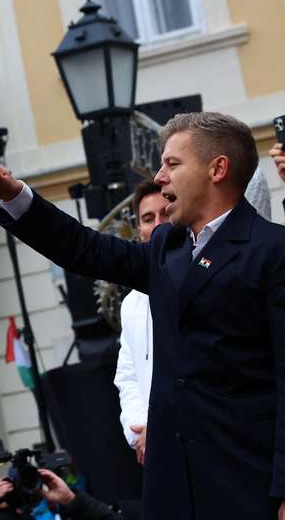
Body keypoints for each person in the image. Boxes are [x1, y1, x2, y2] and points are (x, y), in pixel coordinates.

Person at [0, 111, 285, 519]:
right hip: (173, 490)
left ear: (218, 169)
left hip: (252, 483)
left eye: (172, 164)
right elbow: (87, 250)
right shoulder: (168, 246)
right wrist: (16, 197)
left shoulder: (282, 252)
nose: (160, 177)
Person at [113, 180, 170, 465]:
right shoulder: (131, 304)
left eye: (165, 214)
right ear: (139, 230)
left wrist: (158, 429)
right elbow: (128, 377)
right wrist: (140, 429)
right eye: (148, 218)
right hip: (151, 447)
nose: (158, 224)